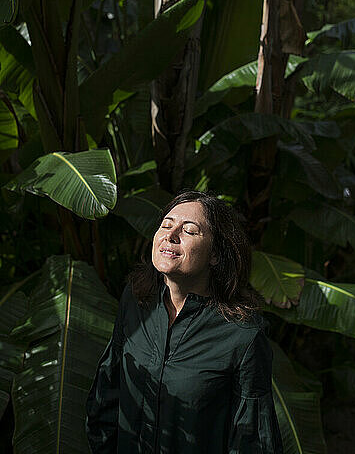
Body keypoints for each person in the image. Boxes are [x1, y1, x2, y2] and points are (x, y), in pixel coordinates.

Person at [86, 190, 283, 453]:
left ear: (215, 254)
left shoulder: (242, 335)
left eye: (189, 230)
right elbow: (107, 393)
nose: (171, 234)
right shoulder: (136, 301)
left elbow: (253, 440)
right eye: (166, 225)